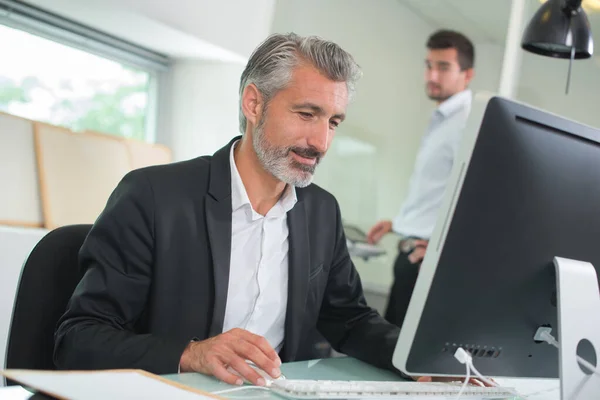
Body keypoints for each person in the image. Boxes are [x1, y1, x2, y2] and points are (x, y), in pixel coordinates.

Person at [53, 32, 404, 387]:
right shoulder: (152, 196)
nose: (321, 142)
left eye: (332, 122)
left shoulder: (321, 211)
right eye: (306, 114)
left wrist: (419, 362)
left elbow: (350, 319)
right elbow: (79, 338)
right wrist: (191, 354)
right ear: (253, 104)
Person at [367, 30, 475, 330]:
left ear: (467, 75)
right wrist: (398, 224)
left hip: (427, 265)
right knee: (388, 359)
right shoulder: (442, 119)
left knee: (403, 369)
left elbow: (478, 196)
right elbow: (436, 194)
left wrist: (448, 246)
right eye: (429, 65)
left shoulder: (468, 121)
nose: (432, 74)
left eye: (443, 67)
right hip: (411, 256)